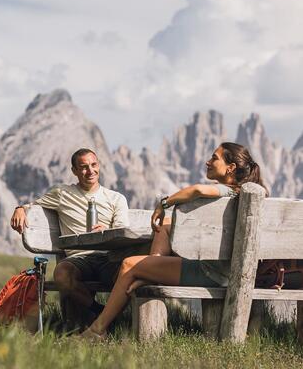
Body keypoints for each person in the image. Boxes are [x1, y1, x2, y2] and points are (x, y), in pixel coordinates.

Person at [81, 142, 267, 340]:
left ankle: (96, 331)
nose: (208, 161)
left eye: (214, 158)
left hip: (213, 273)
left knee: (128, 264)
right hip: (224, 270)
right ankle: (149, 272)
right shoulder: (245, 193)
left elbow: (196, 190)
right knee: (167, 225)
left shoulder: (229, 192)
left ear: (230, 168)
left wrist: (163, 204)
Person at [10, 148, 131, 330]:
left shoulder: (116, 198)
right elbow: (33, 205)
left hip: (108, 258)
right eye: (83, 167)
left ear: (99, 166)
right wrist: (20, 208)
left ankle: (118, 321)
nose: (90, 171)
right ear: (74, 171)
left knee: (130, 274)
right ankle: (100, 312)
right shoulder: (62, 194)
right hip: (78, 259)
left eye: (93, 165)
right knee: (61, 273)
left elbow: (122, 230)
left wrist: (107, 230)